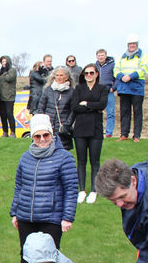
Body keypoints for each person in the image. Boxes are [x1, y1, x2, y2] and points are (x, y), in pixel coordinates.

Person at [10, 114, 77, 263]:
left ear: (51, 134)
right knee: (26, 253)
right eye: (37, 136)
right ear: (32, 136)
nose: (42, 139)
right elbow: (19, 186)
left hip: (51, 217)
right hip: (26, 215)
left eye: (45, 135)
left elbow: (71, 188)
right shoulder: (25, 158)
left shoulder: (64, 157)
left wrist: (67, 217)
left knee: (49, 256)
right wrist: (15, 213)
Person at [71, 63, 109, 204]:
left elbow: (102, 104)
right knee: (81, 161)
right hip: (80, 128)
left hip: (96, 129)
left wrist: (86, 104)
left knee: (95, 161)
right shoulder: (79, 88)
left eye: (91, 73)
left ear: (96, 74)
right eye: (86, 73)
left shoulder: (102, 88)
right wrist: (93, 107)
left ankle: (94, 190)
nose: (89, 76)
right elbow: (75, 107)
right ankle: (82, 190)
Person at [115, 34, 148, 142]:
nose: (132, 46)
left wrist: (131, 76)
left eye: (134, 44)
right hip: (124, 87)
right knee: (125, 111)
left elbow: (143, 69)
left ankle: (137, 135)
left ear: (137, 44)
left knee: (137, 111)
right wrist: (122, 76)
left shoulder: (143, 56)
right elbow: (116, 70)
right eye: (130, 44)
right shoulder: (122, 57)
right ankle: (124, 134)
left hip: (137, 87)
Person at [36, 66, 74, 150]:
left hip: (63, 130)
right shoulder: (47, 90)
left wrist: (67, 125)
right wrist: (44, 124)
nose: (59, 77)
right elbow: (41, 108)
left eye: (61, 75)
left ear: (67, 77)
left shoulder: (71, 92)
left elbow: (72, 111)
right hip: (48, 128)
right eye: (57, 75)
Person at [96, 49, 116, 137]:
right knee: (97, 112)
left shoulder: (112, 65)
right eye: (99, 55)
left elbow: (117, 78)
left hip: (108, 92)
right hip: (97, 93)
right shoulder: (94, 66)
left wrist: (113, 88)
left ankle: (109, 133)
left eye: (102, 55)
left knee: (110, 113)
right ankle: (98, 132)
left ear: (106, 56)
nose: (101, 57)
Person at [0, 55, 18, 137]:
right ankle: (5, 132)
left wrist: (4, 73)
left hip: (9, 96)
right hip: (1, 96)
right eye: (2, 62)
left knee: (9, 114)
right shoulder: (1, 71)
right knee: (2, 115)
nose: (3, 63)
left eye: (5, 61)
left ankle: (12, 132)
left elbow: (9, 78)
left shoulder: (12, 70)